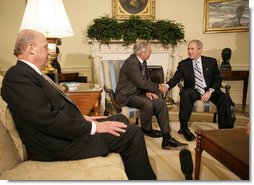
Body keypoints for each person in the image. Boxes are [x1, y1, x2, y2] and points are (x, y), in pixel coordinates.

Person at [1, 29, 156, 180]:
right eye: (45, 47)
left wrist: (83, 118)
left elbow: (50, 109)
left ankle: (131, 174)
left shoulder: (30, 74)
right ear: (31, 49)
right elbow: (45, 119)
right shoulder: (18, 76)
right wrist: (93, 127)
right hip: (56, 145)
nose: (49, 52)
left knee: (120, 120)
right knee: (132, 133)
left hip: (61, 134)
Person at [115, 40, 187, 150]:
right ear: (142, 52)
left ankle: (167, 138)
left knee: (160, 103)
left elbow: (146, 79)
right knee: (147, 104)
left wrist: (149, 91)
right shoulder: (131, 63)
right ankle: (146, 129)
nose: (151, 53)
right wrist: (158, 87)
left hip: (138, 92)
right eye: (149, 51)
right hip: (127, 95)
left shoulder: (142, 61)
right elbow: (141, 82)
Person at [160, 39, 235, 141]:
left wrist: (210, 91)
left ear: (200, 50)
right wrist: (167, 86)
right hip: (193, 90)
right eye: (188, 49)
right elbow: (176, 78)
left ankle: (224, 130)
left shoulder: (211, 62)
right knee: (185, 93)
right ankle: (184, 127)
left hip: (209, 90)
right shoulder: (183, 64)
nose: (189, 51)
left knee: (224, 97)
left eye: (192, 49)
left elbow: (218, 80)